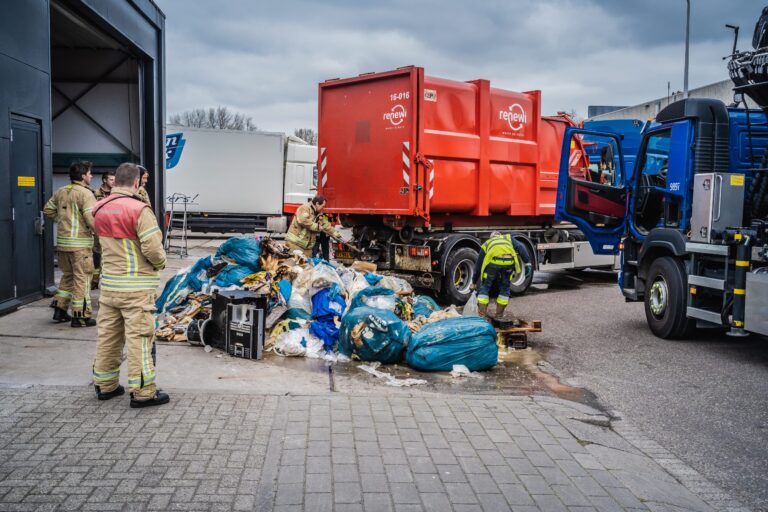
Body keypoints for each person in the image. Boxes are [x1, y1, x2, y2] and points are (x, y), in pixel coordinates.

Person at [91, 162, 169, 408]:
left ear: (115, 181)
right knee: (140, 339)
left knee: (108, 337)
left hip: (110, 287)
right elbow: (153, 249)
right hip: (136, 289)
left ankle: (106, 386)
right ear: (136, 183)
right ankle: (144, 392)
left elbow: (98, 246)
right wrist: (160, 264)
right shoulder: (139, 210)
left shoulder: (99, 208)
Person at [43, 161, 97, 327]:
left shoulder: (61, 191)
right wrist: (101, 234)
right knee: (83, 279)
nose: (91, 176)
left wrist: (63, 219)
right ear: (83, 176)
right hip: (80, 246)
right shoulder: (86, 194)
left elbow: (48, 210)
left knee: (68, 277)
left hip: (63, 245)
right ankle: (80, 317)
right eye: (89, 173)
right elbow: (90, 219)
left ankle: (59, 310)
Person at [470, 232, 532, 319]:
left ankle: (482, 315)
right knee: (505, 287)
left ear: (491, 237)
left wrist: (473, 281)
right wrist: (527, 263)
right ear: (500, 235)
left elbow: (478, 265)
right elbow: (521, 247)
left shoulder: (487, 243)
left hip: (493, 263)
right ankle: (499, 315)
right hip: (509, 262)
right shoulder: (508, 238)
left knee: (485, 287)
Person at [92, 170, 115, 289]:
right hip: (99, 229)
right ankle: (95, 280)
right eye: (111, 179)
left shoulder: (116, 193)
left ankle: (108, 280)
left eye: (115, 179)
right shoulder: (95, 193)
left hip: (113, 229)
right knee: (97, 254)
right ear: (104, 180)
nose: (114, 182)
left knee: (110, 255)